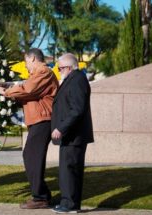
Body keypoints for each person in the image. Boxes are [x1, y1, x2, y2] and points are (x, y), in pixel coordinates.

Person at [0, 48, 59, 209]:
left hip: (43, 120)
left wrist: (5, 91)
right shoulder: (38, 74)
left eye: (26, 62)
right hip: (39, 120)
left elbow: (28, 89)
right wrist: (8, 87)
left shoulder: (43, 71)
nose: (26, 66)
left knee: (32, 156)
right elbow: (27, 89)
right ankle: (42, 195)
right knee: (31, 155)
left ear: (33, 59)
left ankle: (40, 197)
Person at [51, 53, 94, 214]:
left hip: (73, 135)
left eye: (60, 68)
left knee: (70, 170)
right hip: (71, 135)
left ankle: (69, 204)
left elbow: (77, 109)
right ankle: (68, 202)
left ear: (69, 67)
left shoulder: (77, 80)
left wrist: (61, 128)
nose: (59, 71)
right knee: (68, 170)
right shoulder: (74, 78)